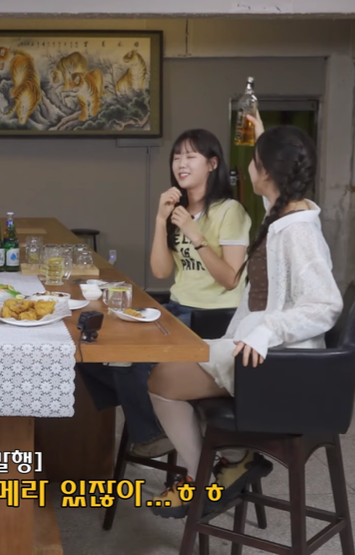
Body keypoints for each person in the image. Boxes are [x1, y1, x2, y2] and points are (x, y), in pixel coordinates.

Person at [147, 119, 343, 519]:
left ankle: (204, 475)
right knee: (171, 367)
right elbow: (275, 202)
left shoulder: (298, 231)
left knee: (162, 379)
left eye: (254, 161)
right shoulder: (283, 215)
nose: (248, 168)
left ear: (266, 172)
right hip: (259, 349)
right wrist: (263, 136)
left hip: (280, 360)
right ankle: (233, 460)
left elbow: (326, 304)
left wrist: (268, 330)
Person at [76, 129, 251, 461]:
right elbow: (160, 271)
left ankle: (153, 433)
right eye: (176, 157)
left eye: (191, 157)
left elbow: (230, 279)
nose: (181, 164)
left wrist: (194, 234)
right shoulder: (178, 210)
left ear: (212, 164)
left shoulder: (230, 211)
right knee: (94, 350)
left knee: (128, 362)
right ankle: (158, 423)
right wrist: (160, 220)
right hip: (178, 309)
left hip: (215, 317)